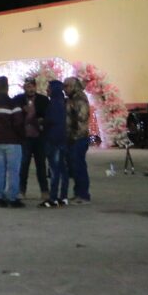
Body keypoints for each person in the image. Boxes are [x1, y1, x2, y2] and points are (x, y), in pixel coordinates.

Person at [0, 76, 24, 208]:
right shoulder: (13, 104)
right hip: (12, 142)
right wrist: (21, 137)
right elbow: (18, 124)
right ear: (7, 87)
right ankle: (12, 197)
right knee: (13, 171)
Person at [15, 78, 49, 200]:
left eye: (32, 86)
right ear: (24, 87)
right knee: (23, 165)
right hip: (24, 138)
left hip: (39, 137)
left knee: (41, 165)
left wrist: (41, 121)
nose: (30, 89)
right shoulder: (18, 100)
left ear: (35, 87)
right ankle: (21, 190)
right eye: (28, 87)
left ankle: (44, 191)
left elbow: (48, 117)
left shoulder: (43, 100)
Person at [41, 80, 69, 207]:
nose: (47, 90)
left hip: (53, 140)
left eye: (49, 88)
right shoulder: (63, 102)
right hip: (62, 140)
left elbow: (51, 121)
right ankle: (63, 197)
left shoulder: (53, 104)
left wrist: (42, 122)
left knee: (54, 170)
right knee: (63, 170)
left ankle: (53, 198)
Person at [64, 76, 92, 204]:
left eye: (67, 86)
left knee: (79, 166)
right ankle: (78, 193)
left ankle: (83, 195)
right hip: (72, 137)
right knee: (75, 166)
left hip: (79, 137)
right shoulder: (72, 99)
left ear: (73, 86)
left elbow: (82, 117)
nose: (65, 89)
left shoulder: (79, 99)